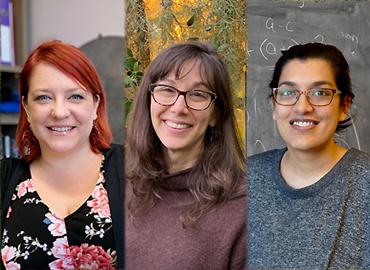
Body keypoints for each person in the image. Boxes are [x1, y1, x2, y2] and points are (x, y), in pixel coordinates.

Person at [0, 40, 124, 269]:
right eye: (43, 98)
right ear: (26, 107)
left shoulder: (132, 171)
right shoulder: (5, 179)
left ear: (95, 105)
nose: (59, 112)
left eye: (75, 96)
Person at [248, 42, 370, 269]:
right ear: (274, 106)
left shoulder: (364, 183)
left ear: (344, 106)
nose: (302, 107)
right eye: (288, 92)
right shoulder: (246, 178)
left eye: (320, 93)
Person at [125, 42, 246, 270]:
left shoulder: (243, 211)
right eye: (167, 90)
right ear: (149, 99)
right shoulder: (118, 185)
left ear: (215, 115)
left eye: (198, 94)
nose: (179, 107)